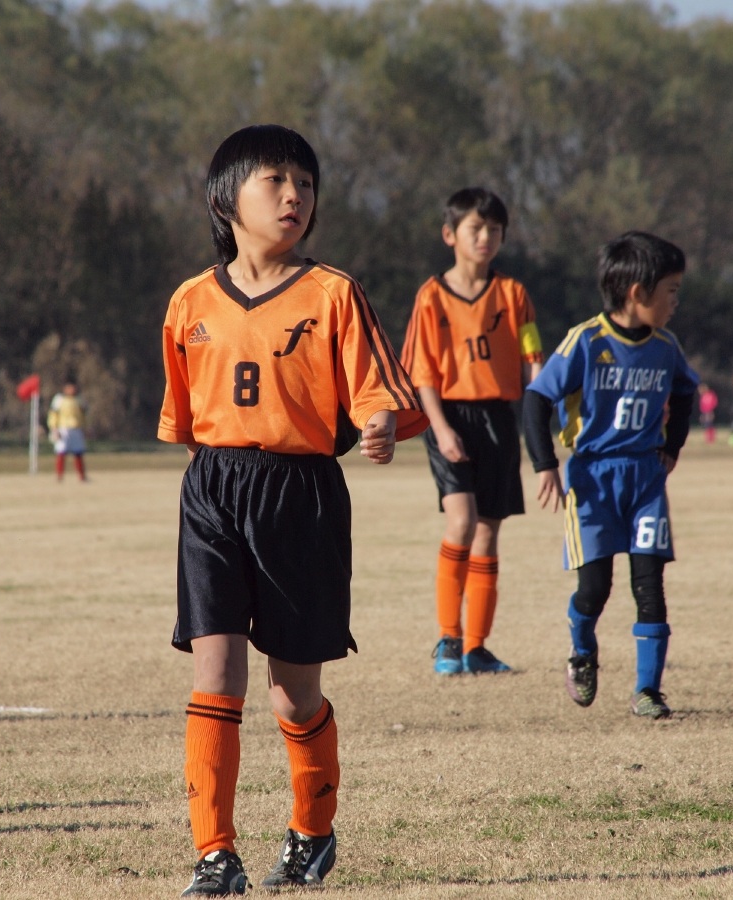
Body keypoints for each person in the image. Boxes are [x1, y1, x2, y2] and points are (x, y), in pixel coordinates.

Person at [157, 124, 427, 897]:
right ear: (225, 199)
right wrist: (221, 475)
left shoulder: (333, 292)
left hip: (301, 495)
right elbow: (186, 422)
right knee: (216, 672)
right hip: (213, 490)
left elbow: (375, 390)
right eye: (274, 180)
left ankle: (312, 830)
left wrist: (378, 424)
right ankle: (215, 855)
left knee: (292, 691)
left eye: (305, 183)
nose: (293, 195)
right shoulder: (189, 302)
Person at [522, 231, 699, 721]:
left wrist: (672, 447)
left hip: (645, 480)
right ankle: (582, 648)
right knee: (595, 589)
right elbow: (536, 399)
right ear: (637, 292)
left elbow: (686, 392)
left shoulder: (666, 346)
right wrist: (545, 465)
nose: (675, 302)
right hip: (593, 480)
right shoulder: (586, 341)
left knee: (650, 584)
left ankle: (648, 691)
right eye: (671, 291)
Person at [400, 187, 544, 676]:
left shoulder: (514, 294)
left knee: (488, 530)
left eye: (495, 230)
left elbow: (533, 358)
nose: (486, 237)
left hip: (499, 418)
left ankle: (477, 647)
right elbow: (422, 373)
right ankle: (448, 639)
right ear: (450, 234)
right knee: (461, 520)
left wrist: (543, 404)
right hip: (450, 416)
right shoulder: (431, 296)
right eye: (475, 228)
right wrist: (441, 429)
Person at [47, 379, 88, 482]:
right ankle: (59, 476)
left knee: (78, 452)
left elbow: (83, 415)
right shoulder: (59, 399)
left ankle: (82, 476)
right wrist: (54, 428)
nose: (71, 390)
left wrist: (84, 427)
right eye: (69, 388)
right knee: (61, 452)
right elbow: (53, 414)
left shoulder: (79, 399)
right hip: (63, 429)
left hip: (76, 429)